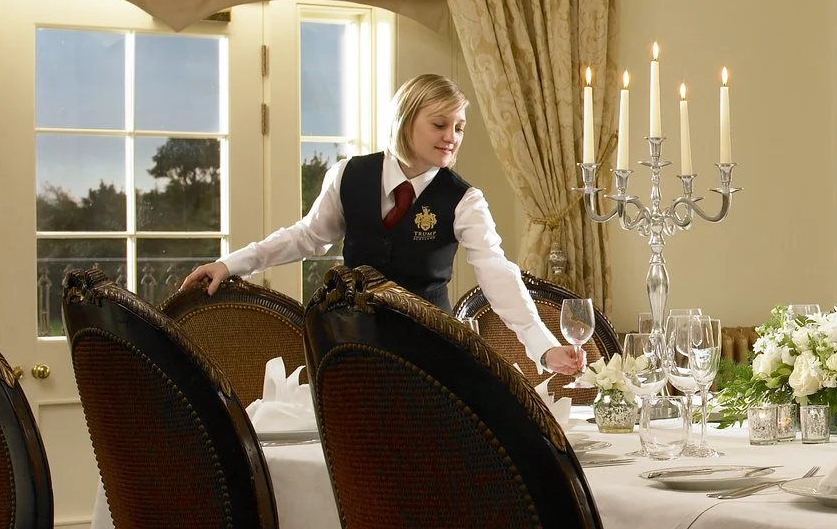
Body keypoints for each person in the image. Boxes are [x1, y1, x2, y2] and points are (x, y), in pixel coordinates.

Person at [181, 73, 582, 380]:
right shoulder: (349, 175)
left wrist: (542, 347)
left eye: (459, 128)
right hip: (351, 347)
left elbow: (496, 271)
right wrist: (231, 264)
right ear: (406, 121)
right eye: (440, 125)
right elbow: (308, 236)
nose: (451, 138)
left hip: (429, 351)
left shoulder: (463, 199)